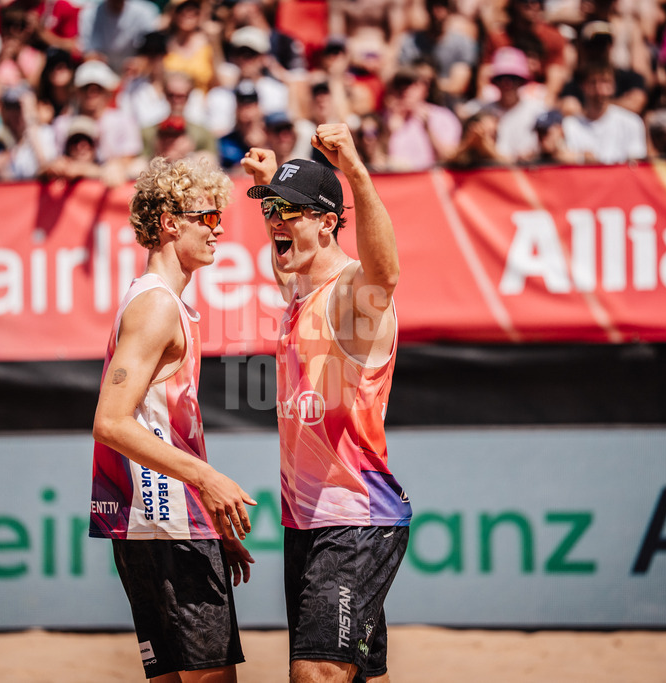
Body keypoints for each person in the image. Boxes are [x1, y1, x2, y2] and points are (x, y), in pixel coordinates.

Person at [241, 123, 412, 683]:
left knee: (315, 672)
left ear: (328, 222)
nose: (275, 221)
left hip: (354, 516)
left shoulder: (352, 292)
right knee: (362, 675)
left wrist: (354, 169)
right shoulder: (299, 289)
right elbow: (286, 254)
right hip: (307, 519)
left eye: (289, 212)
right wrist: (274, 185)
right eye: (270, 211)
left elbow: (387, 272)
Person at [89, 154, 254, 682]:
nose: (219, 229)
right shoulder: (157, 306)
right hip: (167, 524)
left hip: (159, 521)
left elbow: (153, 419)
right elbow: (111, 422)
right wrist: (206, 480)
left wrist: (209, 519)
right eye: (208, 217)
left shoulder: (156, 301)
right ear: (169, 223)